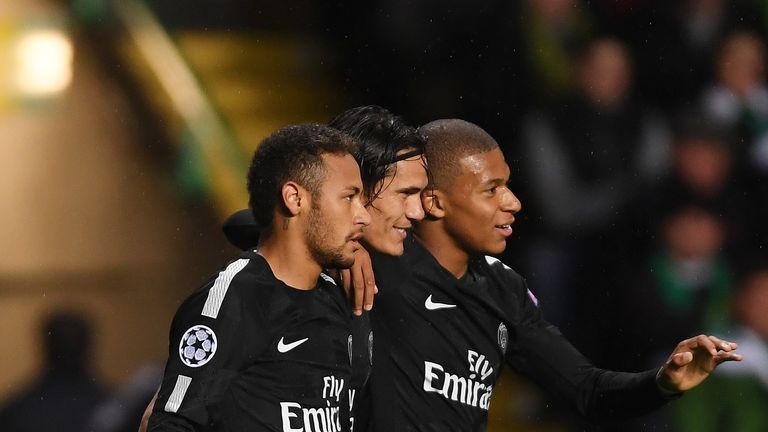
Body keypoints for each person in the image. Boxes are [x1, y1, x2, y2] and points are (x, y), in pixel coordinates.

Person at [364, 119, 741, 431]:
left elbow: (586, 390)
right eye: (491, 190)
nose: (513, 202)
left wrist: (661, 383)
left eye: (507, 185)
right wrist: (350, 257)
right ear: (435, 202)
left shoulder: (503, 289)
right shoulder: (372, 268)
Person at [146, 123, 370, 431]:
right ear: (294, 198)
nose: (363, 215)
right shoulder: (234, 298)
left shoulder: (336, 299)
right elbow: (171, 423)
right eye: (349, 197)